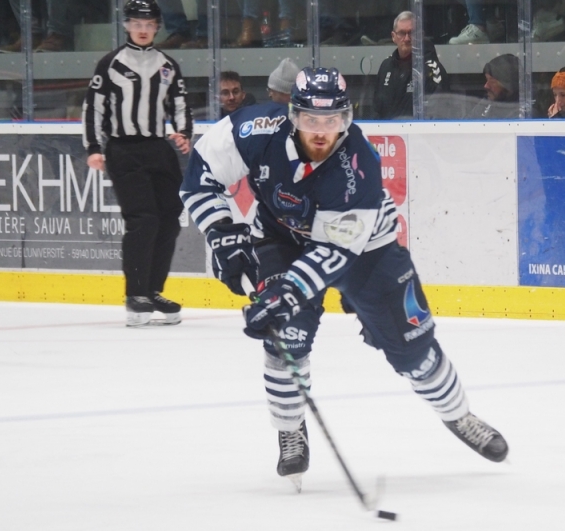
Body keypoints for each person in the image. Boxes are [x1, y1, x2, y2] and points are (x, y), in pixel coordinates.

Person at [180, 66, 509, 486]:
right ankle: (290, 431)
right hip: (281, 236)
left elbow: (337, 250)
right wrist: (224, 234)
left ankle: (459, 415)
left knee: (415, 351)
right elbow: (200, 175)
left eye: (331, 121)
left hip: (368, 249)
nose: (321, 132)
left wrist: (289, 290)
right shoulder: (252, 130)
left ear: (346, 119)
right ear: (292, 116)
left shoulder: (359, 168)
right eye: (311, 121)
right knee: (285, 343)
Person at [82, 0, 193, 327]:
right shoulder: (111, 63)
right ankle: (136, 294)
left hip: (159, 149)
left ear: (158, 26)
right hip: (124, 149)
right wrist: (93, 147)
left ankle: (152, 290)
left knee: (170, 219)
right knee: (143, 219)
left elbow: (181, 103)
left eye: (148, 24)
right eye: (136, 23)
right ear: (127, 25)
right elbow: (94, 109)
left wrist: (184, 132)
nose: (142, 29)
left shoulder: (167, 65)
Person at [373, 11, 449, 120]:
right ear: (393, 37)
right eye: (402, 33)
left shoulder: (432, 68)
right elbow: (376, 109)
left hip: (419, 136)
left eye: (411, 33)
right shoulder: (386, 66)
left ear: (420, 36)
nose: (407, 38)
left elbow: (440, 112)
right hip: (388, 135)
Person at [477, 53, 520, 119]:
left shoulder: (523, 113)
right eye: (487, 80)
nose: (486, 86)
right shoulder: (485, 102)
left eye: (492, 81)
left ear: (507, 85)